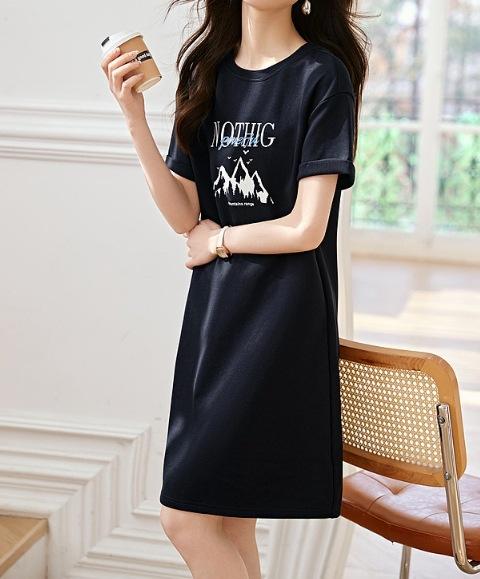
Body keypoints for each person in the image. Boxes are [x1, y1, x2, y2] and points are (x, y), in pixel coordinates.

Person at [101, 0, 369, 577]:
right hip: (215, 317)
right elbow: (184, 214)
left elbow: (306, 228)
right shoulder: (206, 70)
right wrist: (133, 117)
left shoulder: (322, 75)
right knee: (225, 519)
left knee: (185, 517)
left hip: (281, 321)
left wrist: (220, 239)